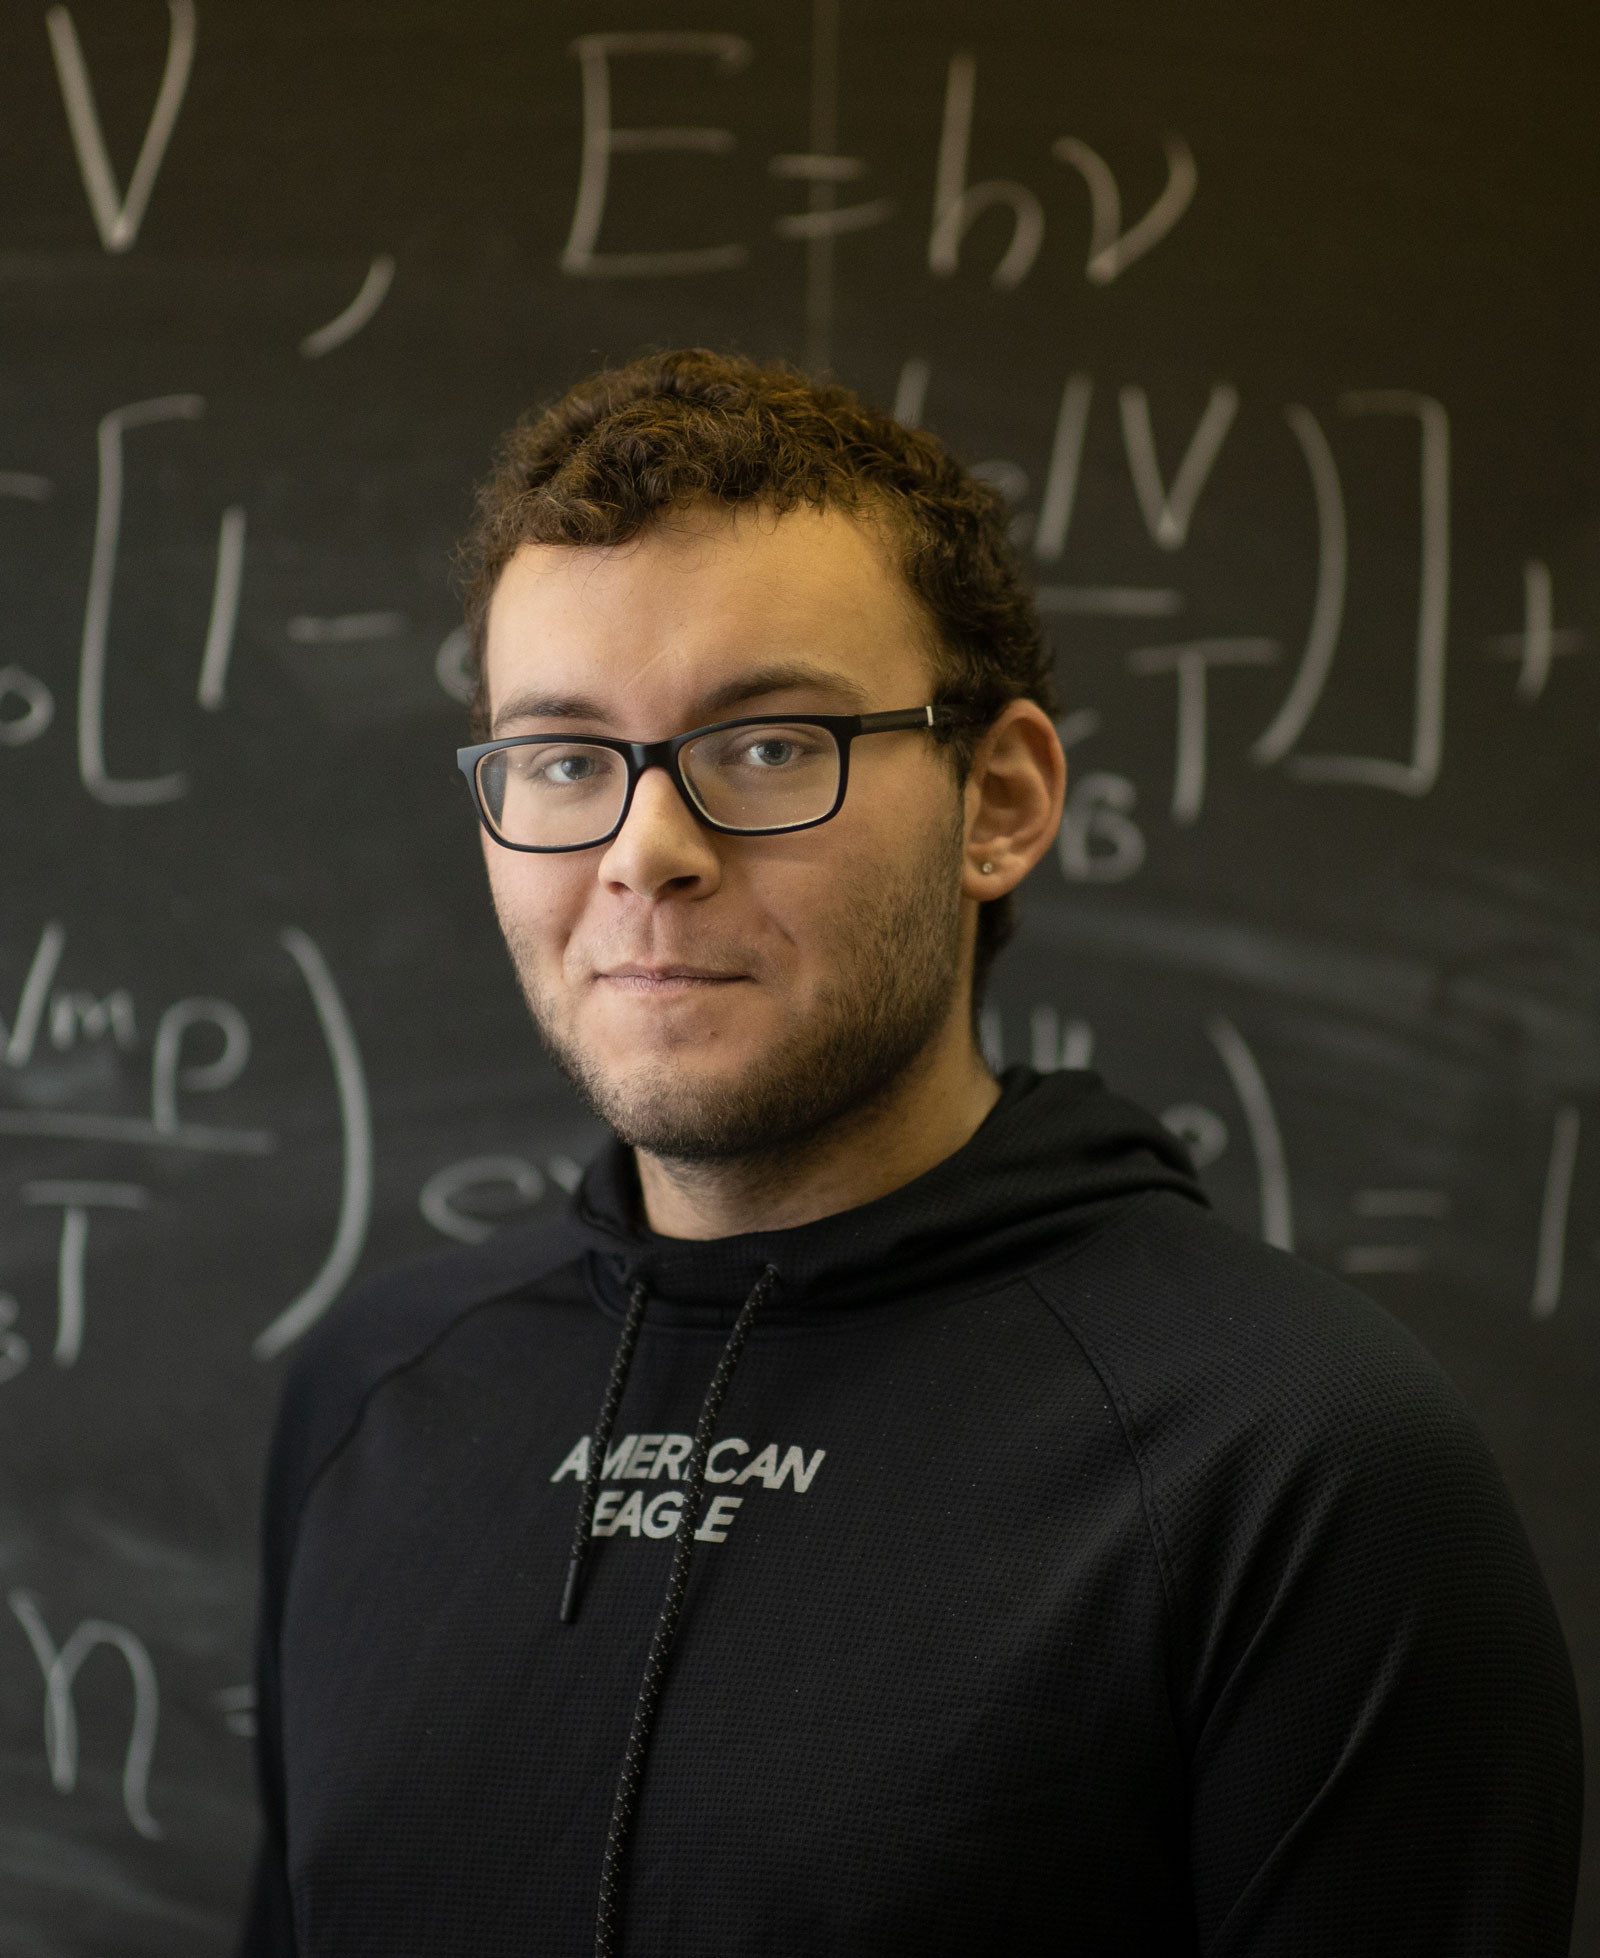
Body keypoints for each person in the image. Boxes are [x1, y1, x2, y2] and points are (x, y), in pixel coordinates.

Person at [241, 350, 1581, 1957]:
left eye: (768, 743)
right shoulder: (375, 1400)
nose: (644, 850)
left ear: (998, 802)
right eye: (565, 758)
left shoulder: (1295, 1459)